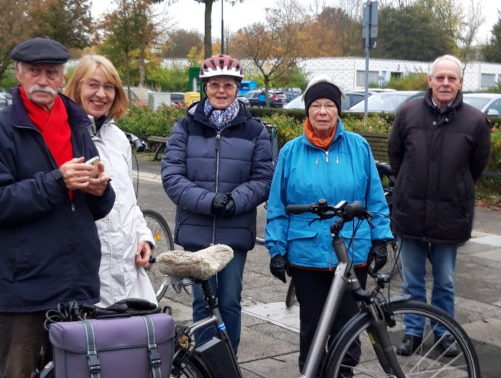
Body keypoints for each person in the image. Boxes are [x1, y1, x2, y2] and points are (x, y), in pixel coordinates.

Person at [0, 38, 115, 377]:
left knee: (76, 371)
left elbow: (98, 207)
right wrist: (56, 182)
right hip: (23, 285)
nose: (43, 80)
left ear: (63, 77)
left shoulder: (75, 119)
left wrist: (99, 190)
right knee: (16, 371)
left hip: (75, 279)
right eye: (34, 71)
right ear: (19, 73)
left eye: (52, 73)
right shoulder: (4, 124)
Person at [265, 75, 393, 374]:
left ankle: (343, 373)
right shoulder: (290, 152)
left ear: (338, 110)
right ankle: (311, 371)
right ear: (307, 110)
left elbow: (374, 197)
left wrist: (381, 238)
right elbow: (277, 204)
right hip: (306, 253)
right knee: (311, 326)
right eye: (316, 105)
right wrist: (276, 249)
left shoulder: (358, 147)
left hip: (350, 251)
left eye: (329, 105)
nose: (323, 111)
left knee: (348, 325)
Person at [161, 54, 273, 353]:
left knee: (229, 301)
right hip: (197, 231)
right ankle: (204, 364)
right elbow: (172, 176)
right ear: (205, 87)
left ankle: (226, 364)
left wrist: (235, 201)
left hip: (234, 231)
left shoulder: (255, 130)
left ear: (238, 88)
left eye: (228, 85)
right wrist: (210, 201)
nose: (221, 91)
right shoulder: (185, 127)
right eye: (214, 85)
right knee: (201, 302)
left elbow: (263, 178)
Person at [388, 55, 490, 358]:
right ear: (430, 80)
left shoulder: (474, 120)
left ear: (460, 83)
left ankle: (445, 333)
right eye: (440, 77)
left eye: (452, 78)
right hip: (411, 213)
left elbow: (476, 166)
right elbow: (397, 158)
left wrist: (455, 189)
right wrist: (409, 184)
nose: (445, 83)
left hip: (450, 215)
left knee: (444, 282)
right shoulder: (407, 113)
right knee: (412, 281)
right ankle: (414, 331)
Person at [65, 55, 157, 307]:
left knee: (139, 337)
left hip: (128, 264)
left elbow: (129, 201)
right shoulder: (64, 136)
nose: (101, 94)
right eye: (93, 85)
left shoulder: (118, 139)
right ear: (77, 87)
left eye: (109, 87)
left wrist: (143, 236)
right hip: (88, 270)